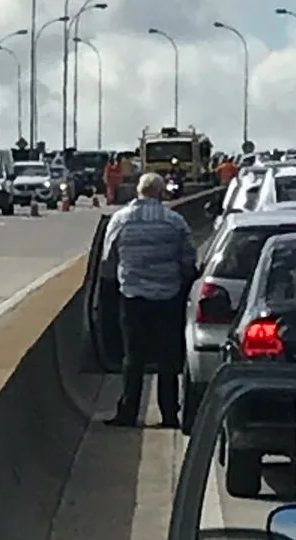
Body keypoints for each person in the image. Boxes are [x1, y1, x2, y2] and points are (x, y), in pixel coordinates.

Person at [100, 172, 198, 428]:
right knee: (168, 357)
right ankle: (168, 414)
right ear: (161, 192)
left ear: (138, 192)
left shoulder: (121, 220)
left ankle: (128, 412)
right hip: (168, 297)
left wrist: (116, 282)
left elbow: (108, 260)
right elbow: (188, 259)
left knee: (133, 356)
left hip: (132, 297)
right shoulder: (174, 221)